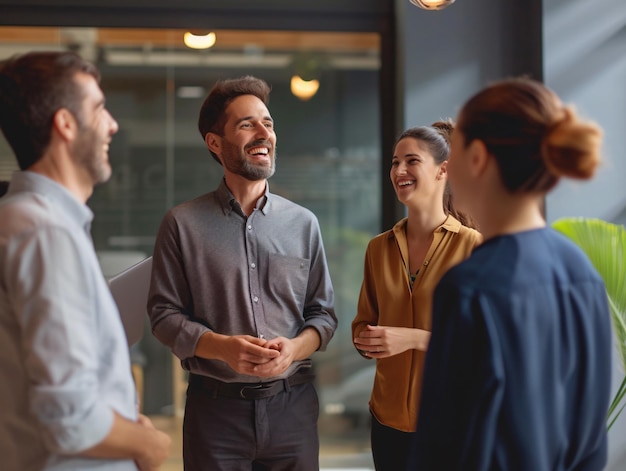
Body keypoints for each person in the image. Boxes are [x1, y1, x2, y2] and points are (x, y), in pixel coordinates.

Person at [409, 77, 612, 470]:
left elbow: (443, 448)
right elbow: (591, 435)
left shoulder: (470, 288)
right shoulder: (581, 272)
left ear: (478, 158)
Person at [147, 75, 338, 470]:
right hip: (214, 414)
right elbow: (164, 317)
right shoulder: (182, 224)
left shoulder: (303, 223)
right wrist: (223, 348)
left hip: (293, 410)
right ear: (215, 143)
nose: (263, 132)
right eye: (246, 124)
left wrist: (294, 350)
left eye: (267, 122)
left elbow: (323, 315)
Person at [0, 51, 171, 471]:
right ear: (65, 124)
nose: (112, 124)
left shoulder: (30, 220)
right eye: (99, 108)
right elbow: (68, 419)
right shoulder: (45, 233)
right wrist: (147, 443)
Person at [352, 121, 482, 470]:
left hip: (450, 423)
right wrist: (367, 340)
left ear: (443, 170)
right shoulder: (378, 248)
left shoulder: (473, 247)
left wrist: (412, 338)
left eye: (411, 161)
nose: (399, 170)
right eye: (395, 162)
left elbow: (485, 342)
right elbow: (363, 322)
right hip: (386, 422)